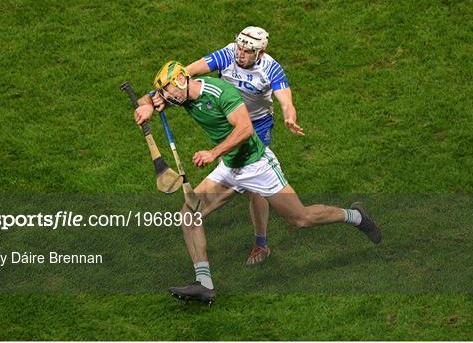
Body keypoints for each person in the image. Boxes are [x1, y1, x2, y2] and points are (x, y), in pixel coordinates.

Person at [135, 61, 382, 304]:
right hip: (231, 168)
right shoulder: (179, 94)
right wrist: (146, 106)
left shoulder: (220, 92)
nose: (165, 96)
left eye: (168, 90)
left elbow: (245, 129)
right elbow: (149, 98)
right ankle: (204, 285)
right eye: (164, 92)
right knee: (189, 215)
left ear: (181, 80)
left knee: (301, 218)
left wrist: (213, 152)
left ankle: (356, 216)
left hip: (256, 165)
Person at [152, 26, 303, 266]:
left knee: (256, 187)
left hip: (257, 125)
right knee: (235, 174)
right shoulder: (228, 54)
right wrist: (154, 98)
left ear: (260, 52)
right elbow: (185, 74)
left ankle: (260, 244)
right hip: (226, 118)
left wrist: (290, 117)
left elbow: (285, 100)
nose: (240, 54)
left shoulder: (271, 68)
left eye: (247, 51)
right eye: (240, 47)